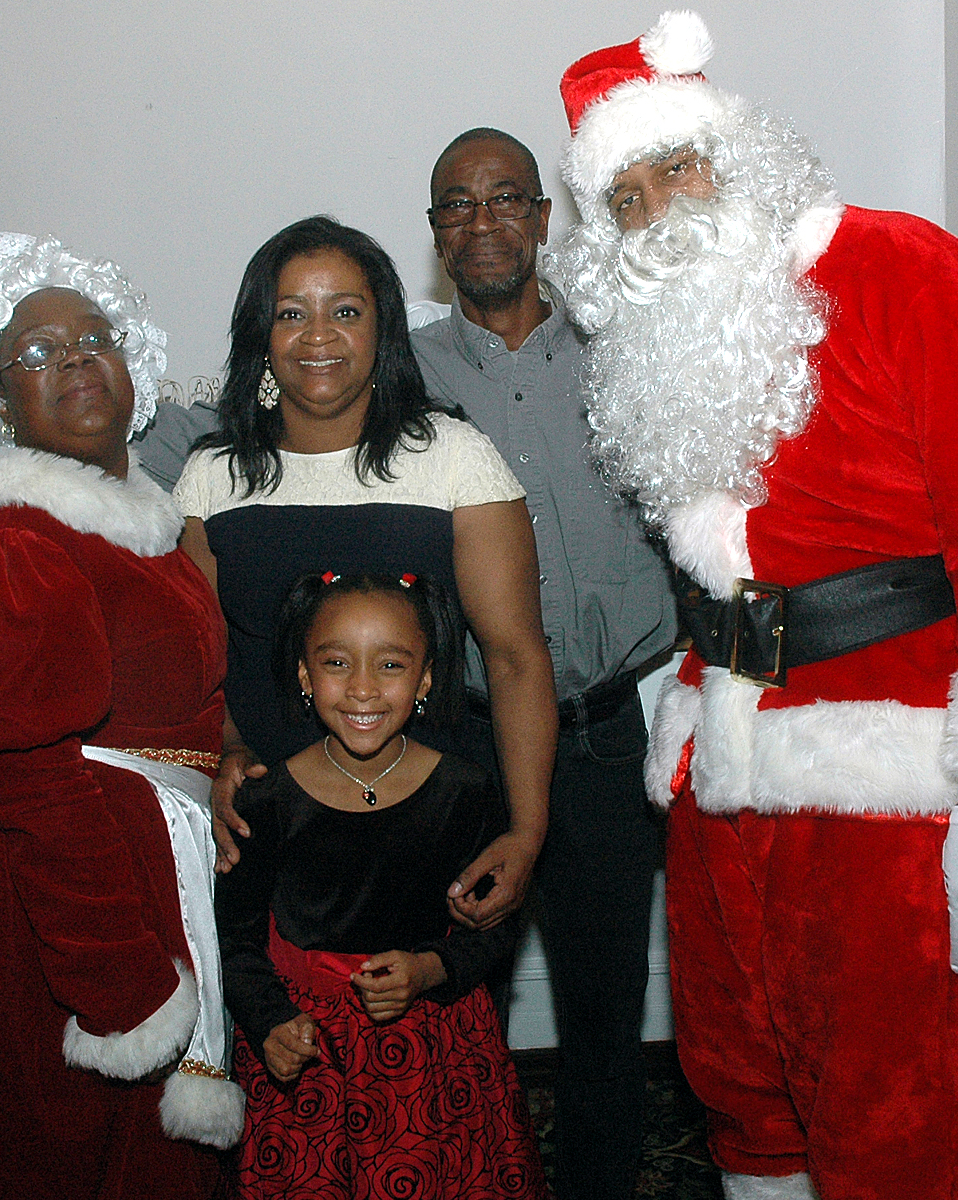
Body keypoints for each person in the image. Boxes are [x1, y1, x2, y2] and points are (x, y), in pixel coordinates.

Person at [546, 13, 958, 1200]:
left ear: (738, 158)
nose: (658, 209)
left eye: (676, 167)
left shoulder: (907, 270)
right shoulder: (660, 341)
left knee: (896, 1121)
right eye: (625, 197)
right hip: (721, 782)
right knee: (742, 1090)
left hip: (890, 786)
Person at [0, 233, 243, 1200]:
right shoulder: (11, 545)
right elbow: (31, 782)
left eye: (95, 337)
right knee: (53, 1149)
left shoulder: (128, 518)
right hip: (36, 901)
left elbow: (170, 698)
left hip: (117, 867)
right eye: (37, 353)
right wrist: (122, 983)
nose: (76, 357)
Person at [410, 128, 678, 1200]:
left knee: (603, 1021)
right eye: (456, 205)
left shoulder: (636, 352)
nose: (482, 222)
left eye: (505, 198)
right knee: (453, 1009)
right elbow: (251, 415)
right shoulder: (399, 371)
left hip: (609, 740)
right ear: (436, 234)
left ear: (541, 217)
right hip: (467, 746)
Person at [173, 217, 557, 940]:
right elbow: (203, 661)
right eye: (292, 314)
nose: (319, 336)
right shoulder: (212, 479)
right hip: (272, 833)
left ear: (383, 333)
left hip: (435, 830)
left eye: (346, 311)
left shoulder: (454, 459)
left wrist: (527, 830)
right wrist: (227, 752)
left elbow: (515, 658)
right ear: (262, 336)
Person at [215, 570, 548, 1199]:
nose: (362, 689)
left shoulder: (466, 790)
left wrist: (428, 969)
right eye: (337, 663)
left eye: (390, 665)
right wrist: (268, 1022)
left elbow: (495, 928)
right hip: (311, 1057)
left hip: (435, 1055)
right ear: (306, 677)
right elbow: (233, 940)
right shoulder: (265, 800)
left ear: (424, 678)